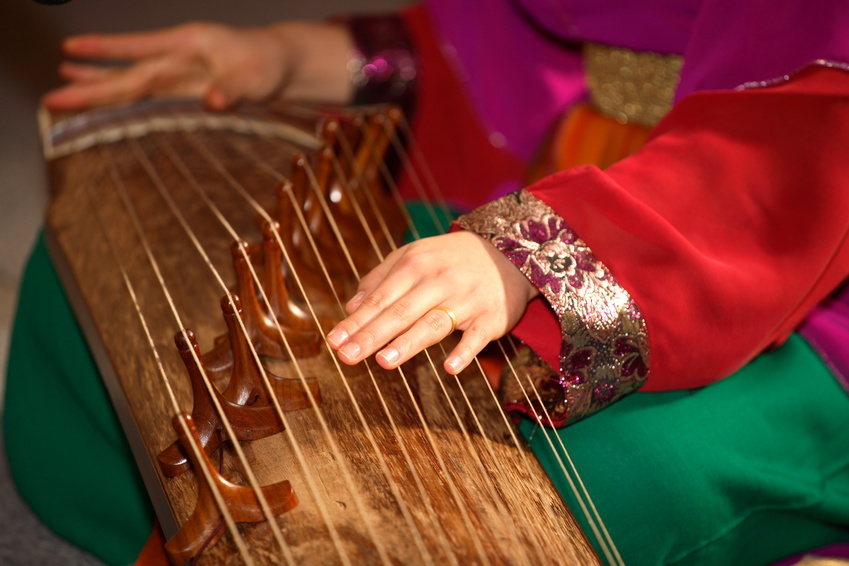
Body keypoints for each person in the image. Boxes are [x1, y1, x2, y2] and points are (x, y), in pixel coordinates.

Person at [6, 0, 849, 564]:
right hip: (573, 174)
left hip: (786, 262)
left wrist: (534, 252)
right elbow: (515, 47)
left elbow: (803, 148)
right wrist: (282, 58)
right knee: (172, 265)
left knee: (574, 486)